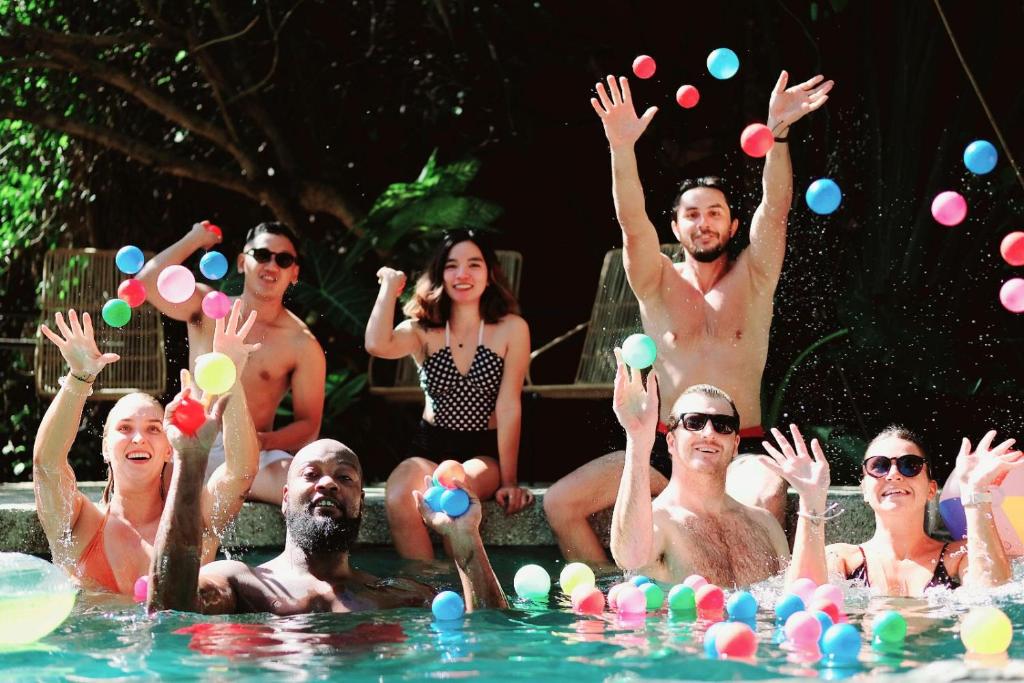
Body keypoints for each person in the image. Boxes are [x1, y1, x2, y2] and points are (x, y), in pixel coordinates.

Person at [545, 69, 834, 563]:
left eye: (715, 212)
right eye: (692, 214)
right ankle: (615, 594)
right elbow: (631, 222)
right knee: (560, 503)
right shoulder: (655, 280)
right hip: (663, 445)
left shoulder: (756, 275)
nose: (704, 223)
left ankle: (768, 607)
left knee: (765, 494)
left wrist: (778, 131)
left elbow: (777, 207)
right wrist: (620, 146)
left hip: (736, 444)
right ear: (676, 226)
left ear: (733, 223)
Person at [147, 433, 508, 615]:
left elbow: (489, 637)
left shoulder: (398, 595)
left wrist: (465, 539)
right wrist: (189, 458)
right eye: (311, 474)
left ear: (361, 504)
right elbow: (168, 610)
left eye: (345, 478)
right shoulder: (239, 583)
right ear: (285, 497)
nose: (329, 483)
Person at [33, 303, 260, 594]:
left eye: (154, 428)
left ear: (169, 448)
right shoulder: (79, 524)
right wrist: (80, 378)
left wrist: (230, 379)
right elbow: (47, 465)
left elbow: (241, 471)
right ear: (105, 447)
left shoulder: (196, 518)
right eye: (125, 428)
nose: (139, 438)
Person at [365, 230, 533, 560]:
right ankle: (424, 585)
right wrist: (388, 289)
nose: (463, 274)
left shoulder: (512, 328)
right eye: (452, 266)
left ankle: (468, 584)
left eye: (474, 264)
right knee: (399, 493)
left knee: (453, 486)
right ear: (440, 274)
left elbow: (509, 404)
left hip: (483, 450)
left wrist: (510, 481)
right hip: (430, 444)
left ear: (490, 274)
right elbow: (376, 344)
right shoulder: (422, 328)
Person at [137, 220, 326, 505]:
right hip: (189, 443)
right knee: (146, 484)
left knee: (304, 492)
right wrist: (194, 238)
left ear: (294, 273)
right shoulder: (208, 307)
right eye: (262, 255)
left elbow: (309, 425)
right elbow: (147, 285)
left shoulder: (302, 344)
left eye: (283, 259)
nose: (271, 265)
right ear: (241, 262)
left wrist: (263, 442)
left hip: (251, 454)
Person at [765, 424, 1022, 596]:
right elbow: (801, 601)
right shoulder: (842, 559)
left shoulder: (959, 556)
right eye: (879, 466)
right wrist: (811, 500)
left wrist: (975, 494)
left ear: (932, 489)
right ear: (864, 489)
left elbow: (992, 597)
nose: (894, 475)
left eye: (910, 465)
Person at [609, 351, 789, 586]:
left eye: (722, 425)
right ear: (671, 442)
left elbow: (795, 596)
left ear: (735, 445)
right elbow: (629, 558)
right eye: (694, 422)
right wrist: (638, 439)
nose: (709, 433)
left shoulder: (765, 525)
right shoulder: (660, 524)